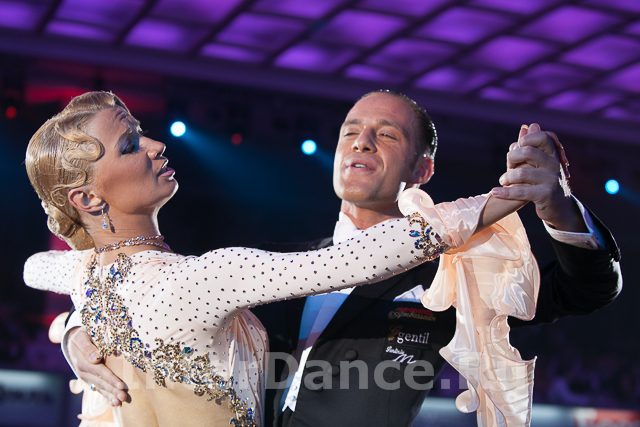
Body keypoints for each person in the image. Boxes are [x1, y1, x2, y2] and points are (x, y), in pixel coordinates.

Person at [59, 91, 621, 426]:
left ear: (422, 170)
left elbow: (587, 289)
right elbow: (148, 290)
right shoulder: (276, 265)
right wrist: (77, 328)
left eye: (386, 135)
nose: (362, 141)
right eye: (351, 131)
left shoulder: (450, 274)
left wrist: (558, 206)